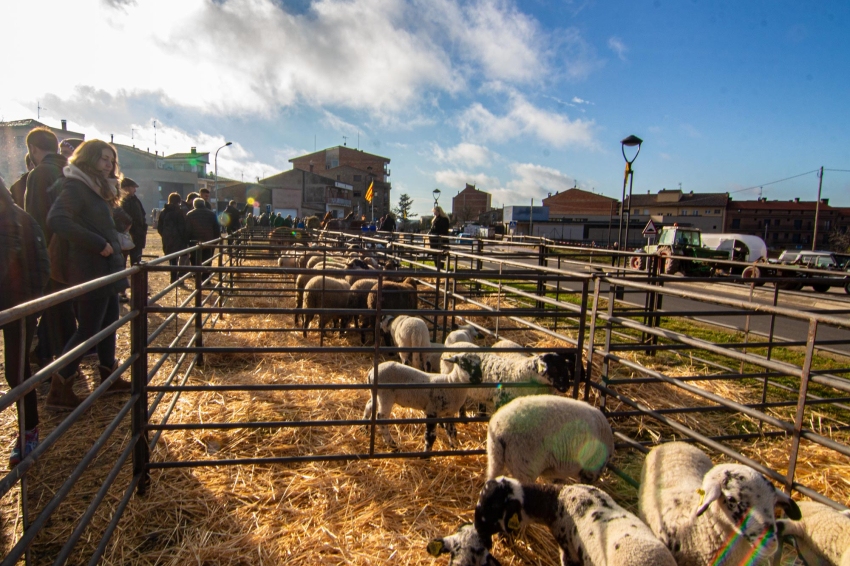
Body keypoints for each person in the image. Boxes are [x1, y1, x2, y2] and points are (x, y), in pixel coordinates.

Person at [45, 140, 132, 410]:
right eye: (104, 159)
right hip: (90, 268)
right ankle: (59, 387)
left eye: (112, 160)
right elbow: (57, 219)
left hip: (105, 267)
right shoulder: (76, 186)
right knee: (88, 330)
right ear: (89, 158)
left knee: (108, 324)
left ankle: (108, 375)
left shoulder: (97, 190)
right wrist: (97, 243)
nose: (109, 165)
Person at [1, 177, 50, 465]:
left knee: (16, 372)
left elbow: (41, 263)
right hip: (15, 304)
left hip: (16, 307)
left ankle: (28, 430)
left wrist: (33, 303)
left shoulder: (20, 220)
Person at [157, 193, 188, 284]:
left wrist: (165, 235)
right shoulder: (180, 211)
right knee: (180, 258)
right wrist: (184, 237)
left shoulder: (163, 212)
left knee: (172, 259)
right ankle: (178, 278)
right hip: (179, 238)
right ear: (179, 201)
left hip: (167, 238)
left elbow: (159, 227)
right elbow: (182, 226)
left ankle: (173, 277)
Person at [185, 197, 221, 267]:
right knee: (207, 260)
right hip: (208, 241)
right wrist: (215, 241)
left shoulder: (190, 214)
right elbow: (216, 229)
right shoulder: (211, 214)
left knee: (194, 260)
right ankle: (205, 276)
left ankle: (196, 274)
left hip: (194, 242)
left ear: (194, 205)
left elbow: (187, 230)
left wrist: (187, 241)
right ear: (204, 204)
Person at [119, 177, 147, 266]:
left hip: (137, 237)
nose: (135, 190)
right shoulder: (120, 202)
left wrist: (142, 230)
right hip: (124, 236)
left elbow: (142, 216)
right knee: (121, 264)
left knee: (136, 264)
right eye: (133, 187)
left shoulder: (135, 200)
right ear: (126, 188)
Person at [429, 206, 450, 271]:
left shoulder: (444, 219)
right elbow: (432, 229)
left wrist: (435, 233)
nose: (434, 213)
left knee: (440, 256)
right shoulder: (435, 219)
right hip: (434, 241)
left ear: (438, 211)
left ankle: (440, 269)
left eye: (435, 212)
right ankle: (437, 269)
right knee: (435, 255)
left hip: (440, 241)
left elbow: (443, 230)